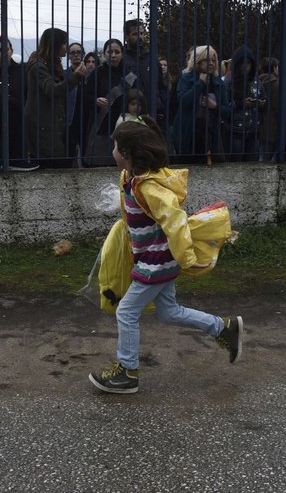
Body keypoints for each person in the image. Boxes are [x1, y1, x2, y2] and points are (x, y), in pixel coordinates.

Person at [88, 116, 242, 394]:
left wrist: (188, 259)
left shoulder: (150, 188)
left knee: (126, 312)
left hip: (156, 263)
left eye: (114, 146)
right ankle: (223, 328)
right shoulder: (131, 178)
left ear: (124, 154)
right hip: (154, 259)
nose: (110, 151)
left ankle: (127, 372)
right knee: (170, 312)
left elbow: (176, 220)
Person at [24, 27, 91, 167]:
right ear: (55, 44)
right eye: (64, 43)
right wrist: (76, 76)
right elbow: (52, 90)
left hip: (55, 126)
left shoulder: (52, 64)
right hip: (43, 127)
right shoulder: (38, 66)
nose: (66, 47)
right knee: (50, 165)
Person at [170, 45, 231, 163]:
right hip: (188, 134)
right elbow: (183, 102)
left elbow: (227, 111)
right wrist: (200, 83)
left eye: (213, 60)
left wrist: (215, 106)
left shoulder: (218, 82)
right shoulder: (185, 79)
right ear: (197, 61)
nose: (211, 63)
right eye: (207, 60)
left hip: (211, 134)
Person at [0, 36, 35, 171]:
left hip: (19, 120)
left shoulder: (22, 71)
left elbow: (27, 93)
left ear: (11, 51)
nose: (3, 53)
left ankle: (18, 161)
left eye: (6, 49)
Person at [83, 38, 127, 166]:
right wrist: (95, 100)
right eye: (110, 52)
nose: (113, 55)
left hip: (123, 123)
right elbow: (86, 96)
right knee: (100, 161)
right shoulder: (97, 74)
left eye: (117, 52)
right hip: (101, 122)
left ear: (122, 54)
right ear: (104, 54)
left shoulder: (129, 74)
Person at [225, 45, 265, 162]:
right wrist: (240, 104)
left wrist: (261, 103)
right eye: (243, 63)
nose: (246, 66)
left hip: (254, 130)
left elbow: (264, 97)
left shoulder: (256, 81)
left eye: (248, 63)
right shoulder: (229, 82)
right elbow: (224, 106)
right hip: (235, 130)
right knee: (235, 164)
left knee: (252, 163)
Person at [257, 57, 281, 162]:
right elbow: (278, 106)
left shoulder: (257, 82)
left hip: (259, 123)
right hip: (272, 125)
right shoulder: (276, 84)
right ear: (274, 68)